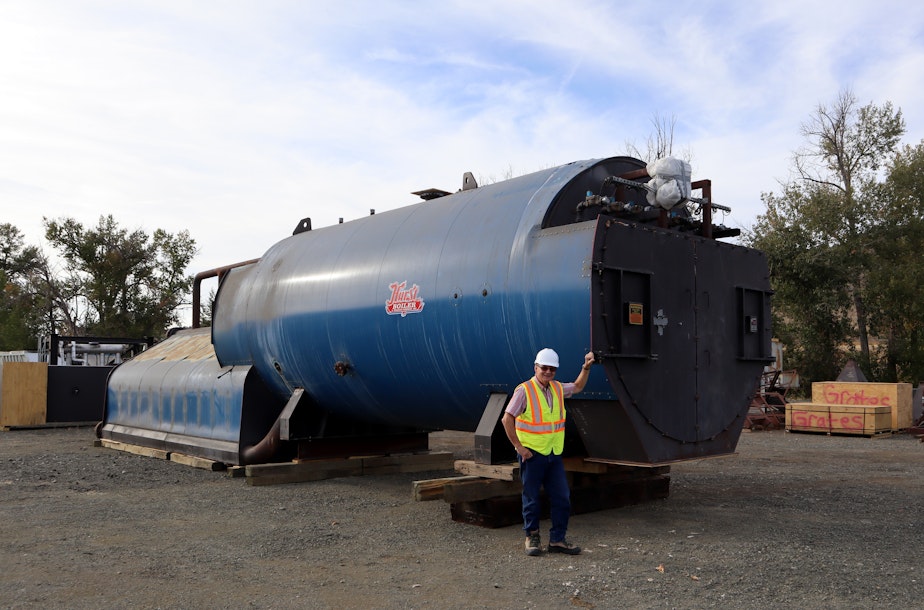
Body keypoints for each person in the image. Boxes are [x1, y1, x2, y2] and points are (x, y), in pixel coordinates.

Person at [502, 347, 595, 556]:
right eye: (544, 368)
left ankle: (557, 540)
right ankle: (532, 537)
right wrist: (520, 448)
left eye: (552, 369)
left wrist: (586, 367)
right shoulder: (524, 391)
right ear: (536, 367)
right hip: (533, 455)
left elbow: (578, 386)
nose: (548, 372)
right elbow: (507, 418)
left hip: (553, 454)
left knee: (562, 497)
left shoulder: (558, 389)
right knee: (532, 498)